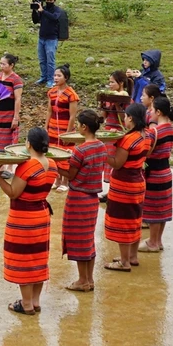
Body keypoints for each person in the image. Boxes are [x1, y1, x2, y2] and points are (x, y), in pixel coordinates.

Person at [0, 127, 57, 315]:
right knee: (38, 259)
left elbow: (13, 192)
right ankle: (34, 301)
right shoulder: (52, 164)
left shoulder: (27, 166)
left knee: (24, 260)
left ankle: (26, 304)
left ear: (28, 144)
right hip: (42, 217)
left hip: (23, 219)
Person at [57, 110, 107, 292]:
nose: (76, 126)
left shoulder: (80, 150)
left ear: (84, 128)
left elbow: (71, 175)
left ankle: (82, 280)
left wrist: (55, 166)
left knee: (78, 240)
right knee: (88, 239)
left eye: (77, 124)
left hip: (78, 198)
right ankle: (89, 279)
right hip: (92, 199)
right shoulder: (101, 146)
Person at [103, 103, 151, 272]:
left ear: (131, 118)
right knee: (134, 220)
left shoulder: (128, 140)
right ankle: (132, 256)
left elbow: (117, 163)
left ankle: (124, 262)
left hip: (124, 186)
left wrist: (104, 153)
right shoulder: (145, 135)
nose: (124, 119)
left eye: (125, 116)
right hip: (138, 182)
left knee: (122, 222)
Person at [140, 97, 173, 253]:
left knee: (153, 208)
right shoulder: (171, 129)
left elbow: (146, 152)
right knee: (162, 208)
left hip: (154, 174)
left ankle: (152, 242)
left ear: (158, 112)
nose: (150, 111)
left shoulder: (154, 131)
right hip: (166, 172)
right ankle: (158, 240)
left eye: (152, 109)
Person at [46, 64, 78, 192]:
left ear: (66, 77)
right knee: (53, 153)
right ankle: (57, 179)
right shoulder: (51, 92)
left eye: (59, 75)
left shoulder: (71, 94)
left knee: (66, 154)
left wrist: (68, 133)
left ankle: (65, 181)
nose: (55, 78)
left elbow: (72, 115)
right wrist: (45, 127)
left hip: (66, 129)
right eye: (54, 75)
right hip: (53, 128)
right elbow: (49, 111)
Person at [0, 54, 23, 179]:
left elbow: (18, 99)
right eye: (0, 63)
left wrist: (16, 117)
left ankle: (10, 167)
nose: (1, 66)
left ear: (11, 65)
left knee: (9, 139)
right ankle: (1, 165)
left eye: (4, 64)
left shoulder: (16, 79)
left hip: (9, 112)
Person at [101, 71, 133, 188]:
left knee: (116, 161)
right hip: (108, 132)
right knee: (108, 160)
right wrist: (104, 103)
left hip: (119, 132)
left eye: (112, 82)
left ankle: (115, 188)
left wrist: (118, 105)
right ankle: (110, 190)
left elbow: (123, 119)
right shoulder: (109, 97)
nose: (110, 84)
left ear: (120, 83)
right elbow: (104, 116)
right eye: (109, 82)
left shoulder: (126, 99)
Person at [31, 0, 65, 87]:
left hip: (52, 39)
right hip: (42, 38)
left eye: (51, 0)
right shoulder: (43, 9)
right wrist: (34, 10)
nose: (49, 2)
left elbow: (54, 18)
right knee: (42, 60)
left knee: (50, 61)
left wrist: (43, 11)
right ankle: (43, 77)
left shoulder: (57, 10)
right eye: (47, 0)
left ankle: (51, 79)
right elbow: (35, 21)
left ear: (54, 0)